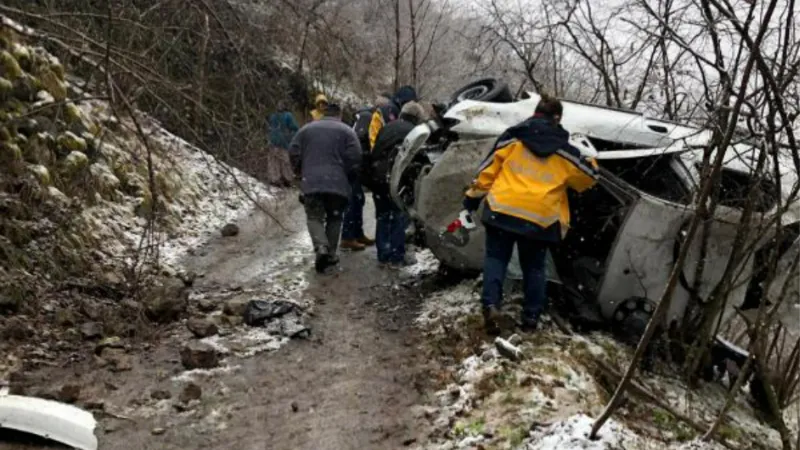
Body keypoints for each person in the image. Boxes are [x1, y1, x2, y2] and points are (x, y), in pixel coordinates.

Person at [462, 95, 599, 334]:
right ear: (558, 118)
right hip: (539, 219)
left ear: (535, 113)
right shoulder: (565, 151)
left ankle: (491, 306)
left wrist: (472, 197)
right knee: (535, 268)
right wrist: (590, 155)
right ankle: (530, 319)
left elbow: (487, 170)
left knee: (496, 260)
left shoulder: (513, 137)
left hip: (502, 209)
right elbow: (589, 178)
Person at [289, 103, 362, 273]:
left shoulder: (306, 130)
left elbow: (293, 150)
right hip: (337, 183)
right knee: (335, 218)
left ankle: (321, 247)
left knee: (314, 217)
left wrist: (300, 170)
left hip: (312, 181)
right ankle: (329, 255)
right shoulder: (347, 131)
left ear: (323, 113)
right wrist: (348, 175)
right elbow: (356, 157)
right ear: (340, 115)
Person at [369, 101, 427, 267]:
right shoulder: (415, 132)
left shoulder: (386, 128)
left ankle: (383, 253)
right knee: (398, 215)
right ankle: (396, 255)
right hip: (396, 177)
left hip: (378, 176)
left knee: (382, 215)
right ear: (417, 118)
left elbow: (375, 152)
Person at [340, 93, 391, 250]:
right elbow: (363, 139)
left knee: (358, 198)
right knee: (353, 199)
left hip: (353, 162)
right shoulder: (368, 117)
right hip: (353, 163)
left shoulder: (362, 116)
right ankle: (348, 237)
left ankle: (356, 233)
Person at [267, 101, 299, 186]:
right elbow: (295, 128)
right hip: (283, 141)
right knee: (285, 161)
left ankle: (275, 179)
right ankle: (287, 179)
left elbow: (269, 127)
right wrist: (291, 137)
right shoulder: (288, 115)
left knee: (273, 160)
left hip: (272, 140)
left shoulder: (272, 116)